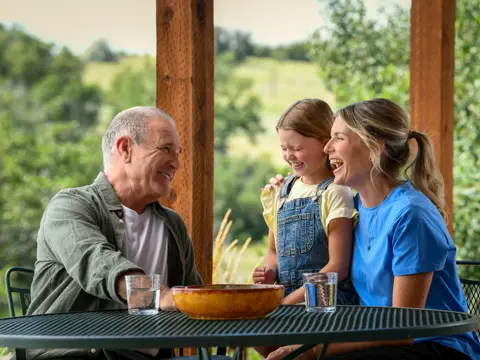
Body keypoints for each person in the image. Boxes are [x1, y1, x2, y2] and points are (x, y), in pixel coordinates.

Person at [265, 98, 480, 360]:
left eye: (339, 138)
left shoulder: (411, 215)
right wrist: (285, 194)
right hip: (377, 338)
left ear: (374, 147)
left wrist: (314, 351)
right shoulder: (354, 209)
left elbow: (405, 328)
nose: (328, 147)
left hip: (434, 347)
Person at [26, 106, 202, 360]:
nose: (176, 163)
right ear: (125, 149)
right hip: (71, 355)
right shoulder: (70, 206)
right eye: (165, 149)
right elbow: (97, 263)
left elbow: (191, 294)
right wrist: (158, 294)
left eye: (178, 153)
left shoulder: (172, 224)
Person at [252, 99, 359, 307]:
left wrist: (287, 303)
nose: (289, 156)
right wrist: (269, 273)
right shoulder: (281, 192)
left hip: (325, 305)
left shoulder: (335, 192)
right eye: (284, 148)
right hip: (287, 304)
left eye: (297, 148)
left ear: (325, 142)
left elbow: (338, 266)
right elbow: (273, 252)